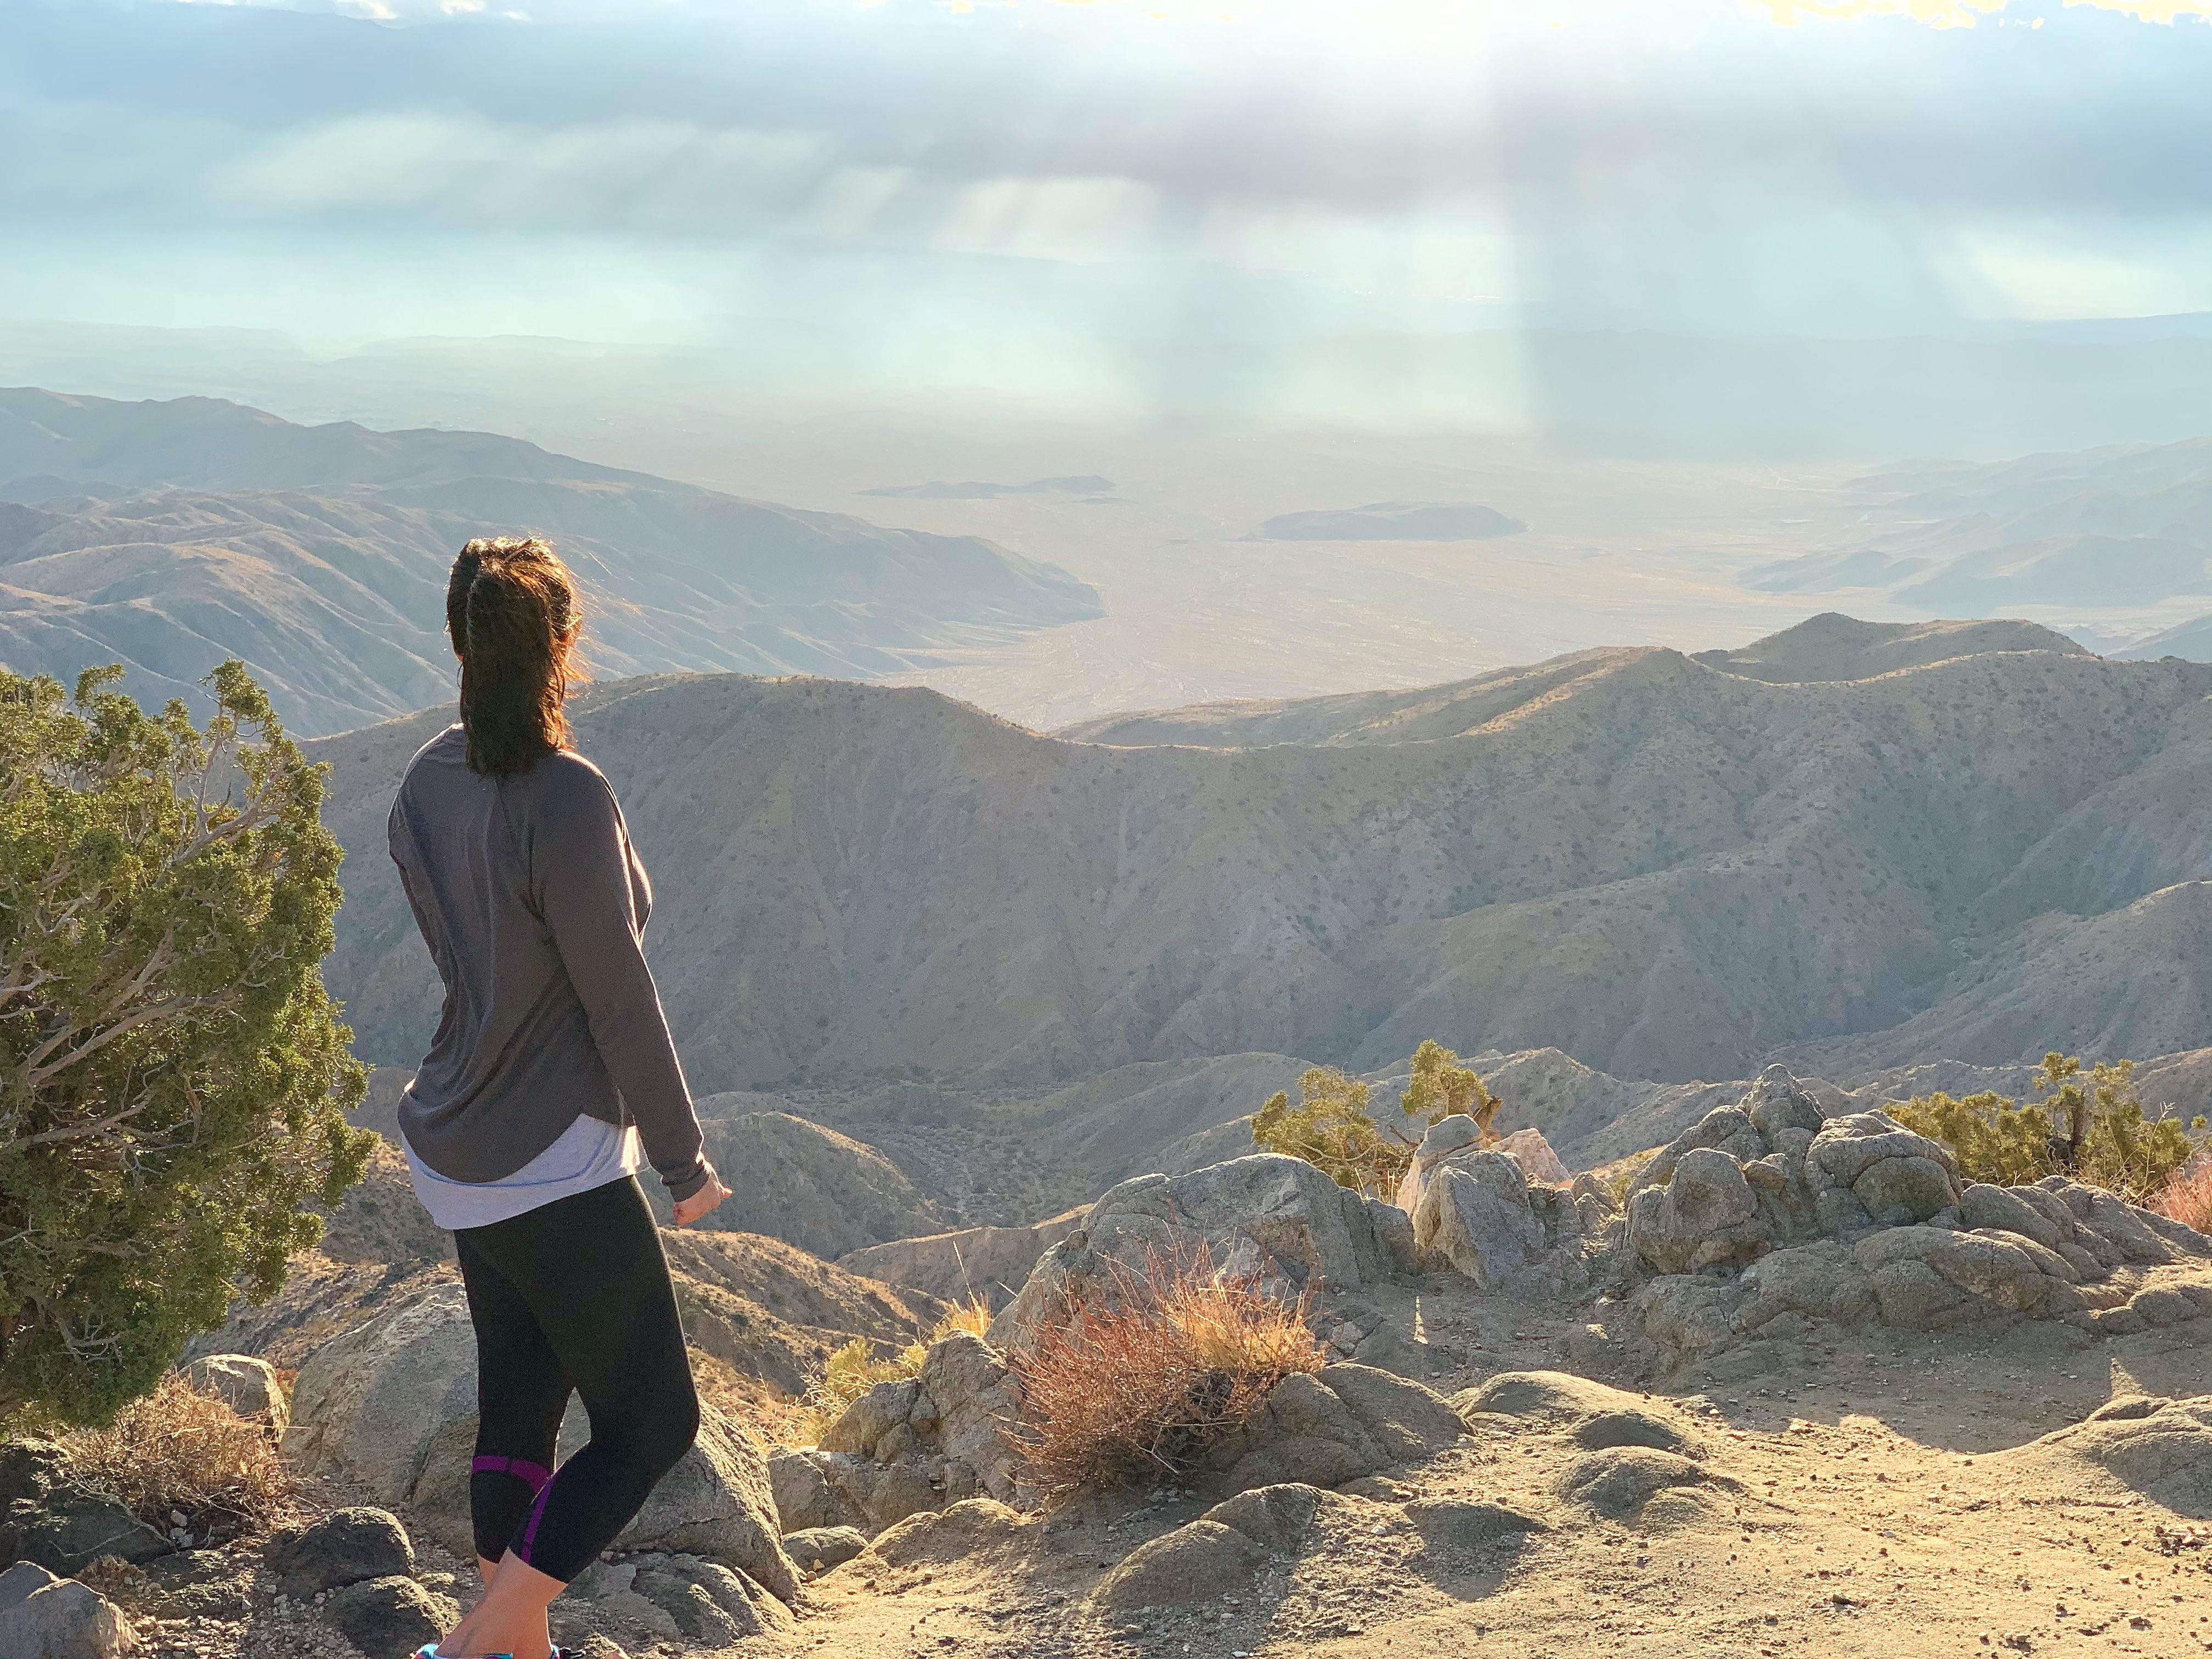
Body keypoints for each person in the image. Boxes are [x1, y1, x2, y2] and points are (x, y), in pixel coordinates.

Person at [387, 537, 731, 1659]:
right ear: (565, 647)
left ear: (458, 643)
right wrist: (683, 1164)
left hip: (458, 1141)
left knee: (522, 1399)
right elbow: (617, 998)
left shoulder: (423, 782)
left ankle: (514, 1651)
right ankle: (479, 1640)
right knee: (650, 1425)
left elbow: (466, 961)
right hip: (551, 1158)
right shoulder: (568, 798)